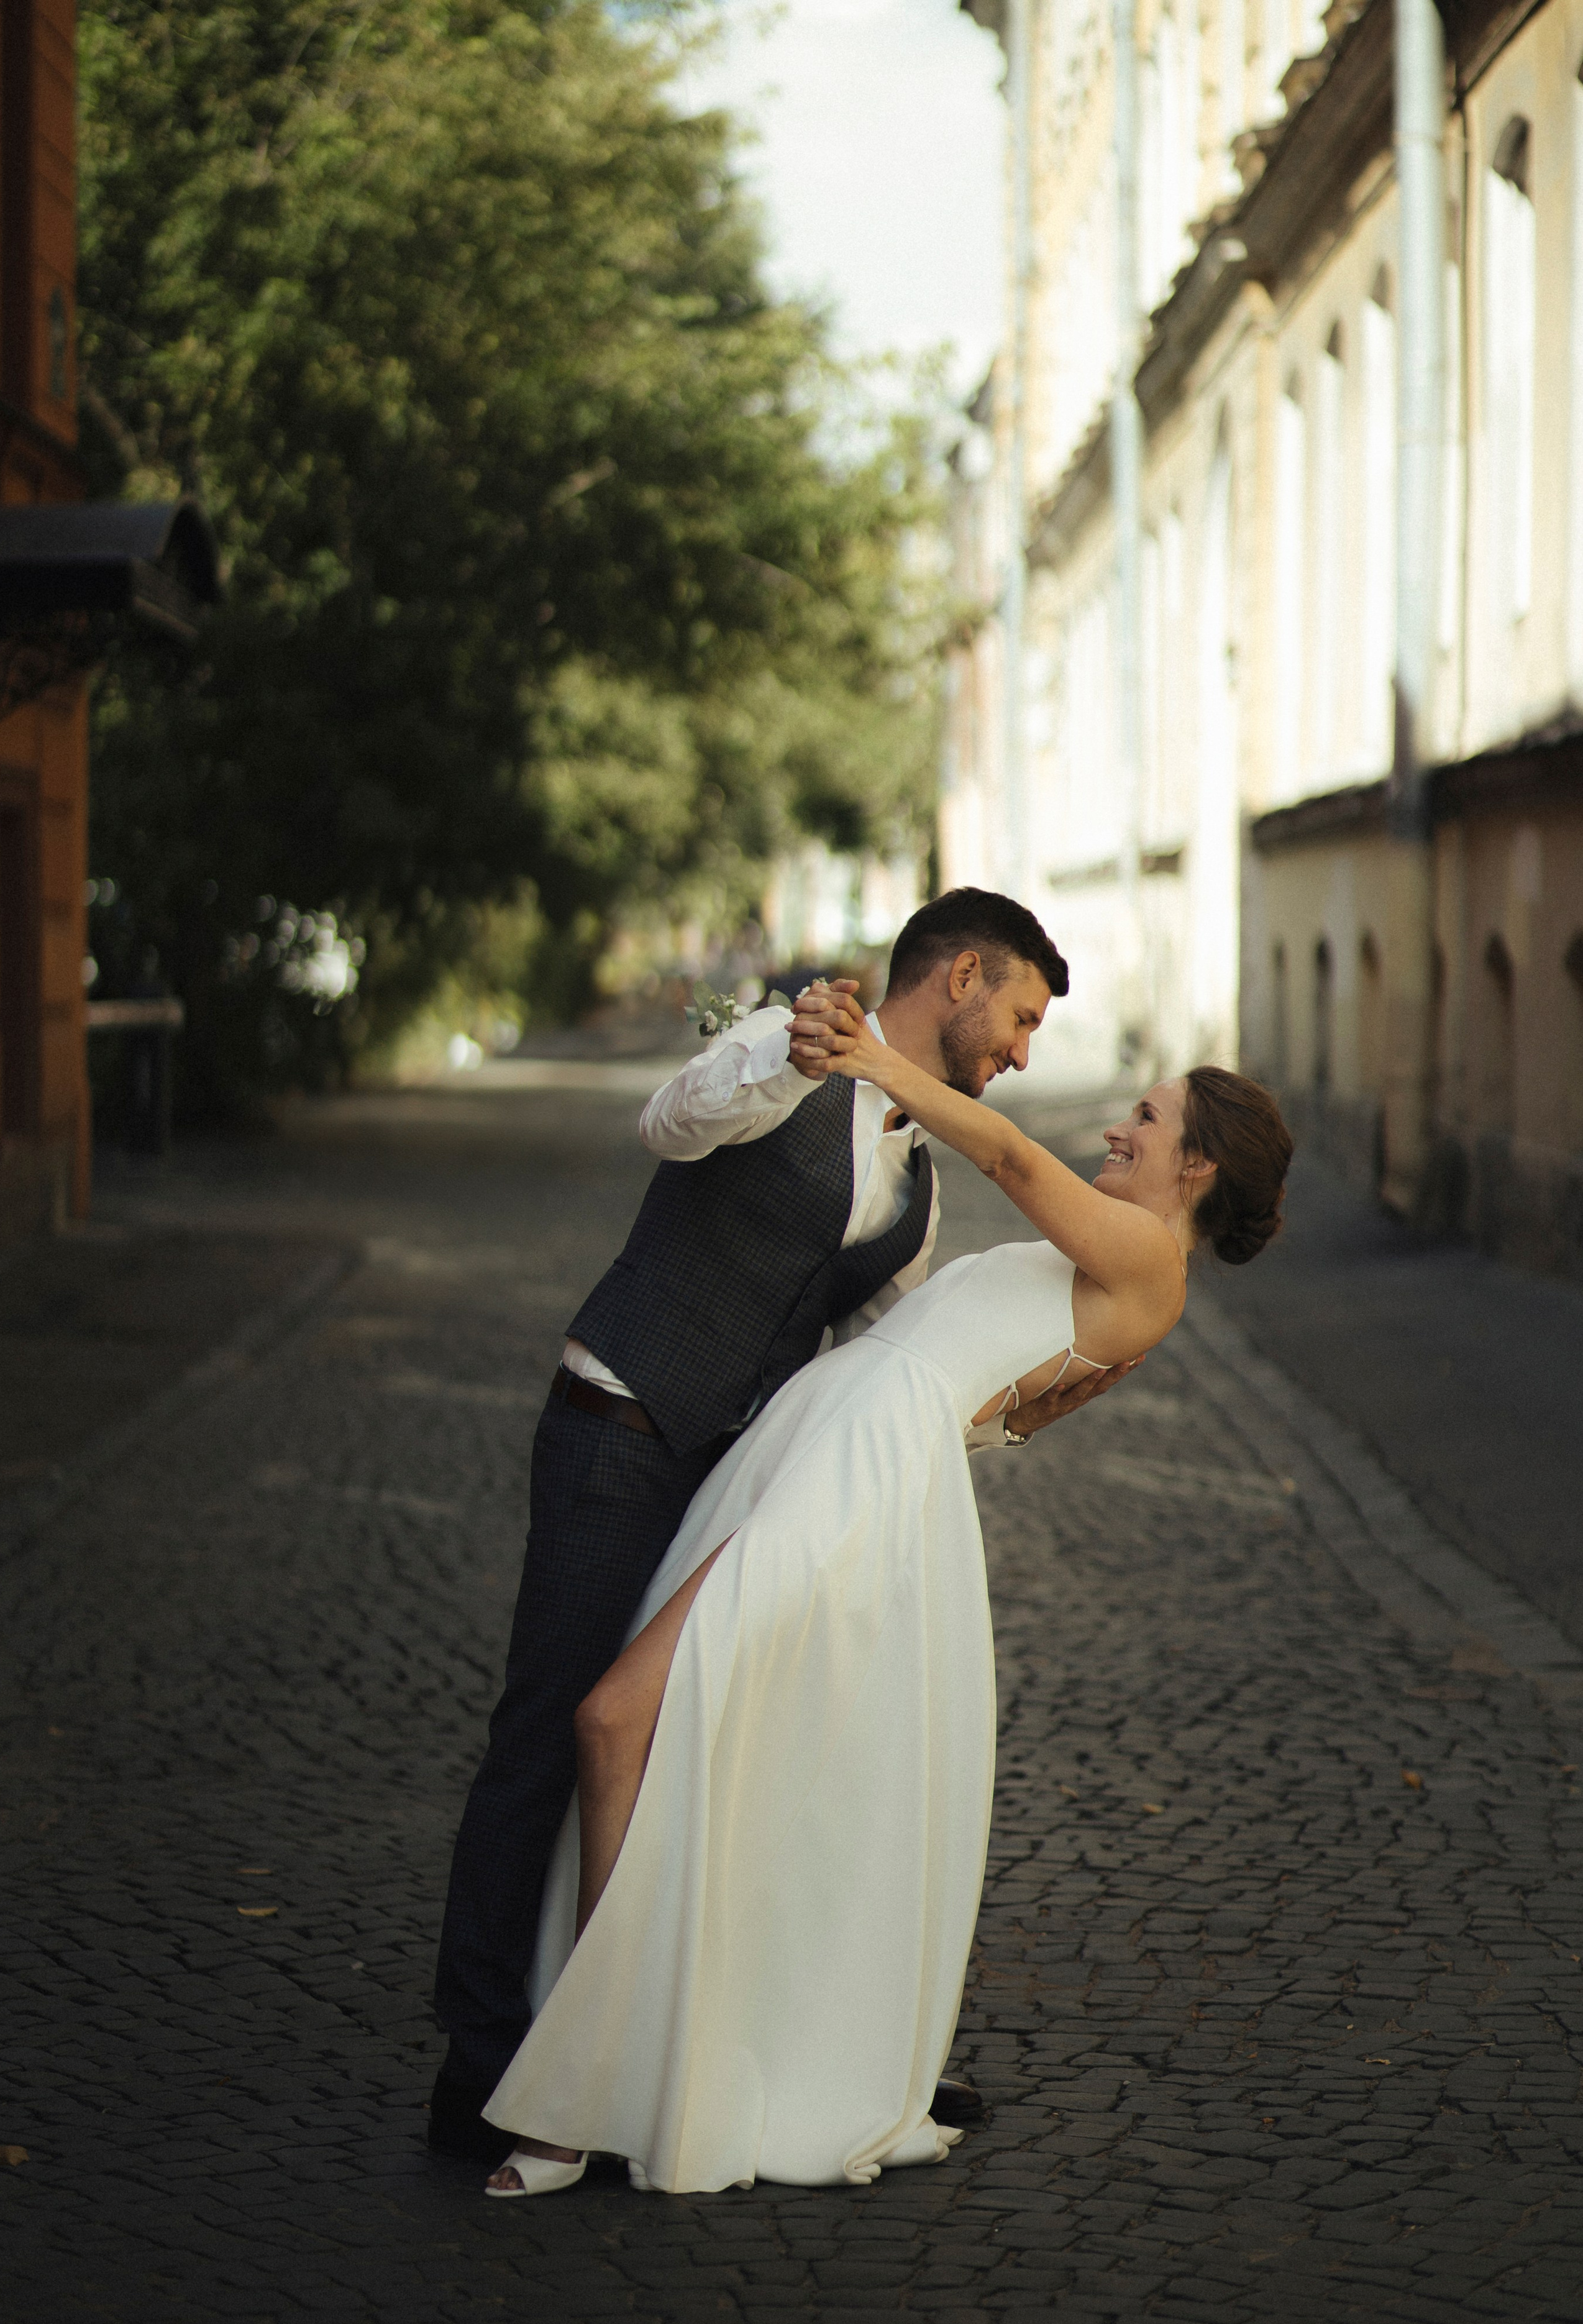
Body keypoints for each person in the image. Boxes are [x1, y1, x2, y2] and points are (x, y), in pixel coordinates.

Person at [478, 1030, 1292, 2197]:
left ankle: (586, 2089)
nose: (1120, 1128)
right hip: (822, 1442)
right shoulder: (1118, 1260)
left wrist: (877, 1061)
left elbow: (1012, 1157)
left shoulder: (1151, 1261)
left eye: (1149, 1121)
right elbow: (990, 1391)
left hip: (852, 1467)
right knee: (644, 1733)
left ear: (1199, 1169)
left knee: (619, 1720)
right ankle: (602, 2077)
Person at [429, 889, 1121, 2165]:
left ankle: (734, 2054)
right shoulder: (789, 1048)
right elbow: (670, 1121)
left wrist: (995, 1411)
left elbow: (870, 1346)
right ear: (960, 976)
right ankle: (480, 2072)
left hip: (733, 1476)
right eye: (1019, 1017)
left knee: (701, 1740)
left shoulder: (915, 1183)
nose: (1024, 1050)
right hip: (620, 1429)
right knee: (546, 1735)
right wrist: (777, 1048)